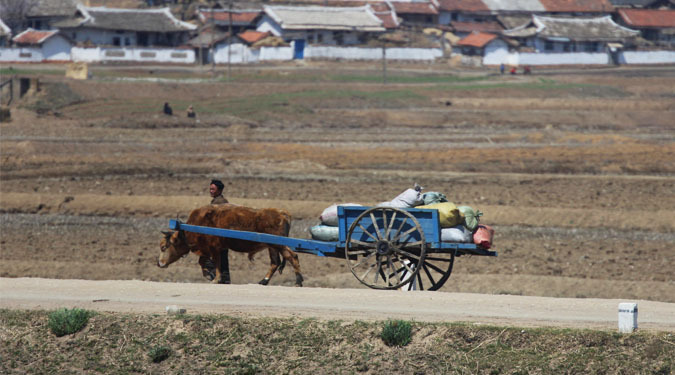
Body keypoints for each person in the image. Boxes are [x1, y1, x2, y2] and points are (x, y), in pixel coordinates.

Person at [200, 179, 231, 283]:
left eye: (213, 189)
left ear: (219, 190)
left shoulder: (220, 203)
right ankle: (223, 278)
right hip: (218, 235)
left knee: (216, 257)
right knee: (221, 257)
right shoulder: (217, 201)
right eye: (210, 189)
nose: (211, 191)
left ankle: (221, 278)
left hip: (219, 236)